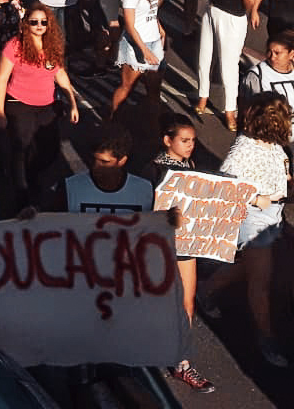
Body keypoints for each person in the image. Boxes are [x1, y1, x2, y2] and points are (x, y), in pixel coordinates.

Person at [198, 93, 292, 368]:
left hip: (273, 215)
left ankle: (205, 291)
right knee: (260, 282)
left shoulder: (274, 144)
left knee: (252, 267)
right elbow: (224, 185)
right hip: (254, 219)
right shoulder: (243, 149)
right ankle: (266, 338)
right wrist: (256, 198)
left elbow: (278, 173)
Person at [143, 113, 215, 393]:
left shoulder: (190, 165)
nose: (190, 145)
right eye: (184, 140)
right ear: (167, 140)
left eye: (193, 141)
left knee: (186, 302)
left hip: (185, 244)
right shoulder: (152, 170)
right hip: (159, 245)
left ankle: (181, 362)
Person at [0, 6, 80, 208]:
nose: (39, 26)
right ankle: (22, 196)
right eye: (34, 22)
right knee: (21, 148)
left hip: (46, 105)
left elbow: (61, 75)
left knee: (50, 150)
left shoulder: (53, 46)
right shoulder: (14, 46)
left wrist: (73, 103)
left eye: (43, 22)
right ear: (26, 24)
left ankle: (29, 174)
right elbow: (2, 78)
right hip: (19, 103)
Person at [195, 0, 254, 131]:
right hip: (212, 10)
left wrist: (245, 16)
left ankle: (230, 111)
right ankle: (203, 96)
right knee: (204, 58)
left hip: (230, 19)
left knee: (228, 67)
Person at [110, 0, 167, 121]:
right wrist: (144, 50)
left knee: (154, 88)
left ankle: (153, 123)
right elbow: (129, 25)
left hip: (154, 42)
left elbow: (151, 12)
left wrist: (160, 29)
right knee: (127, 86)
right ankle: (113, 120)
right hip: (137, 45)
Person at [58, 123, 153, 215]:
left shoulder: (145, 191)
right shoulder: (70, 188)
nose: (95, 167)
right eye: (93, 159)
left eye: (104, 162)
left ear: (122, 161)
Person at [241, 31, 294, 114]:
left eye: (277, 53)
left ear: (291, 54)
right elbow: (247, 109)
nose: (272, 57)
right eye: (269, 51)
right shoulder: (256, 76)